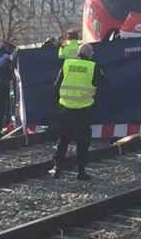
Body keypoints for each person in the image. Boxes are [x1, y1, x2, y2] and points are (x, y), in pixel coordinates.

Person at [50, 43, 104, 180]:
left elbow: (57, 85)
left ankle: (57, 168)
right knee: (83, 141)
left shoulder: (67, 64)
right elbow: (104, 84)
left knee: (63, 139)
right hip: (83, 110)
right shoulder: (93, 66)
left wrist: (58, 104)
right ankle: (81, 171)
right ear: (90, 54)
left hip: (65, 109)